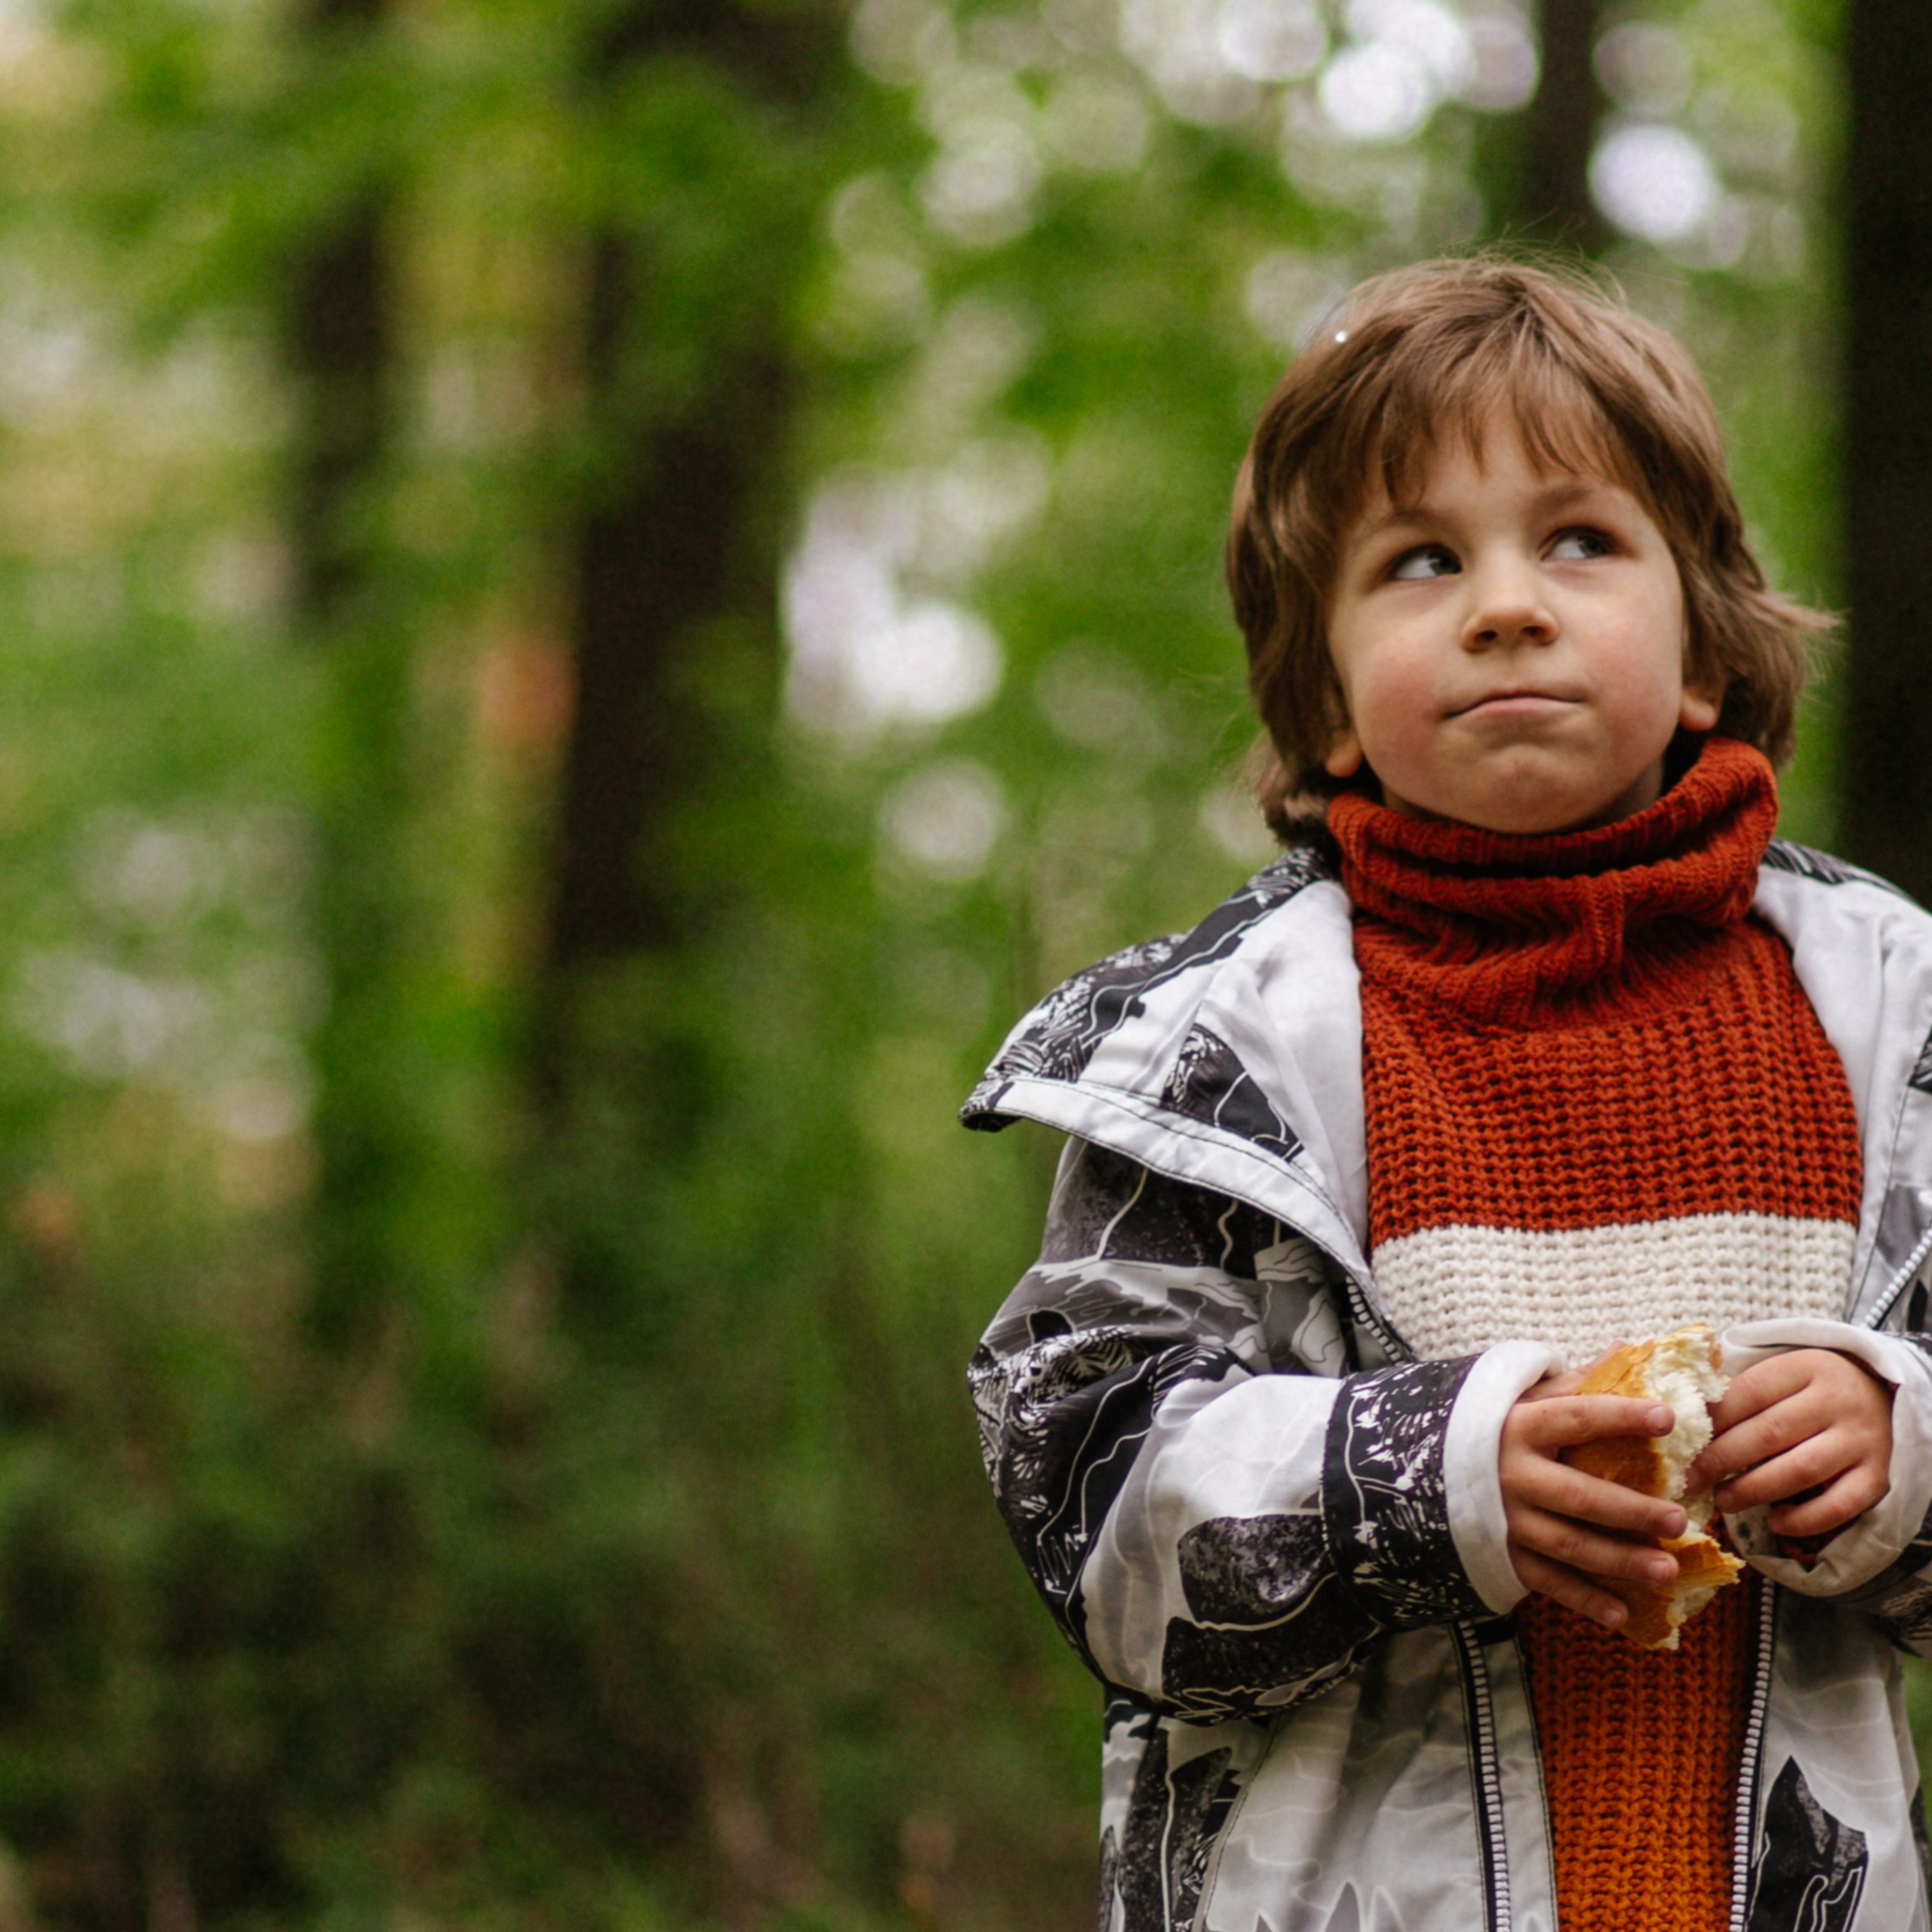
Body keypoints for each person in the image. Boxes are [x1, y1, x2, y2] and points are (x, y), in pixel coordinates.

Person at [961, 257, 1932, 1932]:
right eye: (1418, 560)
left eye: (1578, 539)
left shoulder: (1884, 1009)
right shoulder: (1218, 1053)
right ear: (1322, 694)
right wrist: (1428, 1473)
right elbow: (1089, 1492)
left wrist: (1895, 1441)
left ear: (1701, 646)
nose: (1503, 601)